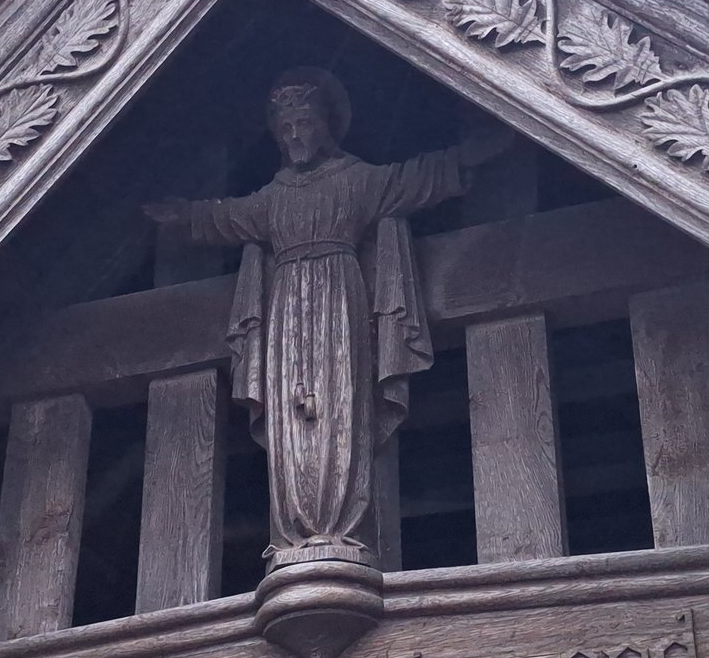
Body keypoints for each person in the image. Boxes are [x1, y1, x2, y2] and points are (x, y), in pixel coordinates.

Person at [145, 68, 510, 563]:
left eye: (305, 124)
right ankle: (296, 527)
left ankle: (338, 524)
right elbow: (224, 217)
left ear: (327, 126)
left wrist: (464, 159)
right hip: (286, 312)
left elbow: (412, 179)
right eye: (286, 128)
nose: (296, 136)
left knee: (342, 404)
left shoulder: (358, 180)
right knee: (290, 413)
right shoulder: (272, 198)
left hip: (341, 299)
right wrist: (184, 215)